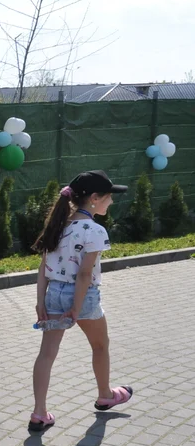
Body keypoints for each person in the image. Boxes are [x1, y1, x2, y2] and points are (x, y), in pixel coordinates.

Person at [29, 170, 133, 432]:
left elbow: (43, 267)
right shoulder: (94, 230)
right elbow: (85, 274)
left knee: (47, 354)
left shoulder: (58, 225)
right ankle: (105, 394)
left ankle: (39, 412)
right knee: (100, 345)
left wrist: (40, 301)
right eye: (109, 197)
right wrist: (76, 307)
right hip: (83, 296)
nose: (111, 202)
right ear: (95, 199)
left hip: (53, 293)